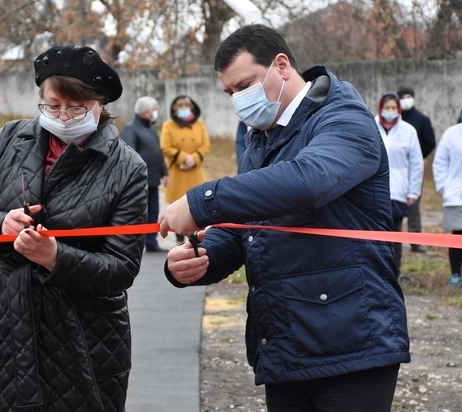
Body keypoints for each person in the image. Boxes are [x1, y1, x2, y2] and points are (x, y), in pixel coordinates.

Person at [159, 24, 410, 412]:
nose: (238, 100)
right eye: (230, 93)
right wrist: (201, 258)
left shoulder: (345, 118)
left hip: (350, 340)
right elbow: (250, 225)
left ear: (282, 65)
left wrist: (201, 201)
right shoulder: (260, 134)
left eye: (245, 85)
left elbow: (308, 181)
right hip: (285, 342)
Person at [0, 45, 147, 411]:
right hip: (11, 324)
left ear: (99, 105)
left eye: (76, 108)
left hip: (86, 335)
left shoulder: (127, 167)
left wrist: (56, 257)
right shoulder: (11, 138)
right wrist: (0, 224)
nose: (64, 117)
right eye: (53, 106)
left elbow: (122, 268)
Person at [375, 92, 424, 274]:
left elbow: (416, 163)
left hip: (398, 191)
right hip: (375, 191)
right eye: (386, 108)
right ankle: (377, 270)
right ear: (381, 108)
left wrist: (413, 192)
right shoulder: (371, 125)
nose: (390, 111)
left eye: (393, 108)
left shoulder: (408, 131)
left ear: (398, 109)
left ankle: (395, 270)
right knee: (375, 233)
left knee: (395, 233)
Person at [160, 95, 210, 245]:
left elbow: (205, 145)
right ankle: (179, 240)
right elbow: (165, 146)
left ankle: (198, 238)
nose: (183, 109)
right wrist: (182, 158)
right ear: (174, 110)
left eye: (185, 106)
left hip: (195, 171)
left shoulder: (199, 124)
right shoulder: (168, 125)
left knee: (198, 203)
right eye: (179, 107)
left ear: (192, 108)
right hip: (178, 171)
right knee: (177, 205)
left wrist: (194, 158)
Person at [122, 96, 169, 252]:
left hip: (153, 179)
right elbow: (130, 155)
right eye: (154, 110)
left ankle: (151, 241)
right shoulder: (131, 128)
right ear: (146, 112)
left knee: (153, 211)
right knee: (137, 212)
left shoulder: (150, 128)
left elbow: (158, 152)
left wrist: (164, 172)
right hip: (139, 181)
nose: (156, 113)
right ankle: (133, 244)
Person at [397, 85, 436, 253]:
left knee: (413, 205)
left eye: (408, 96)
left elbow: (430, 142)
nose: (406, 100)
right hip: (395, 168)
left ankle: (415, 240)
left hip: (413, 169)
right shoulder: (393, 119)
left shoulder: (422, 120)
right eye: (403, 97)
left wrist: (418, 158)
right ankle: (393, 239)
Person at [433, 120, 462, 288]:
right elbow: (440, 162)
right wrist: (444, 186)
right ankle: (455, 275)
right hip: (456, 195)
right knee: (457, 235)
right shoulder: (452, 133)